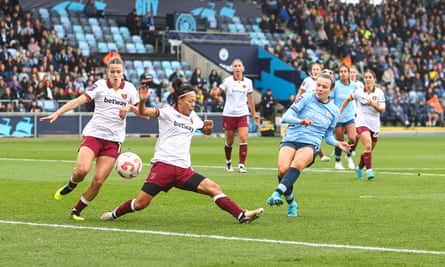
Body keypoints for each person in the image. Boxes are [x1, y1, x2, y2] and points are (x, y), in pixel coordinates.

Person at [100, 79, 264, 224]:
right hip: (163, 167)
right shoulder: (167, 111)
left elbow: (204, 131)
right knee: (141, 204)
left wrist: (208, 128)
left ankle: (241, 215)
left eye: (195, 101)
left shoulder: (193, 117)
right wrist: (142, 101)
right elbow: (144, 113)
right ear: (180, 100)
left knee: (213, 188)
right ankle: (114, 214)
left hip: (184, 170)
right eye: (191, 101)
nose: (193, 105)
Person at [40, 57, 146, 221]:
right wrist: (57, 113)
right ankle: (71, 184)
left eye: (118, 72)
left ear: (123, 72)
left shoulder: (131, 89)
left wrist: (131, 107)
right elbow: (79, 100)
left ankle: (76, 210)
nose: (115, 75)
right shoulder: (100, 86)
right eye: (112, 72)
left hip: (113, 142)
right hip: (94, 136)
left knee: (98, 181)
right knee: (82, 170)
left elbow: (143, 116)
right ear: (107, 73)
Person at [266, 70, 351, 217]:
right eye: (318, 85)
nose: (320, 89)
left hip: (311, 144)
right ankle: (291, 202)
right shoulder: (306, 97)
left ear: (330, 90)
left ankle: (276, 193)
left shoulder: (334, 111)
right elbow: (286, 116)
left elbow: (328, 136)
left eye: (324, 87)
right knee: (282, 170)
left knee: (297, 164)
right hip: (291, 138)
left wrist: (337, 143)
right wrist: (301, 121)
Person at [210, 59, 259, 173]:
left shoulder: (248, 82)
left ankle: (241, 165)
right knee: (230, 142)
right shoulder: (227, 81)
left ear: (243, 68)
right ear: (232, 69)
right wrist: (214, 92)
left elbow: (250, 99)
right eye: (235, 66)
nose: (237, 68)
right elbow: (218, 92)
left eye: (239, 66)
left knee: (243, 138)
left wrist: (254, 114)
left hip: (242, 113)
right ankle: (228, 161)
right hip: (229, 114)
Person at [339, 70, 385, 180]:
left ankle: (359, 168)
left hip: (374, 124)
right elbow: (348, 99)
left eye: (370, 77)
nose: (368, 79)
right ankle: (369, 172)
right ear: (364, 79)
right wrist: (340, 111)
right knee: (368, 145)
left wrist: (374, 105)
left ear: (374, 79)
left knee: (368, 150)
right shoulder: (359, 92)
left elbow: (382, 110)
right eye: (366, 77)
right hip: (361, 122)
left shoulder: (379, 93)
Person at [297, 63, 330, 162]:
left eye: (317, 69)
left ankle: (316, 153)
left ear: (321, 71)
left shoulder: (323, 83)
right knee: (312, 132)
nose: (315, 71)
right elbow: (300, 92)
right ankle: (319, 155)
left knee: (315, 133)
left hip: (318, 111)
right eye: (314, 69)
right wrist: (296, 103)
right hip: (307, 111)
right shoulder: (307, 81)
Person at [331, 64, 357, 170]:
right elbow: (329, 98)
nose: (342, 73)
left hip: (350, 115)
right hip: (338, 117)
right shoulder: (336, 85)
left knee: (352, 138)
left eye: (344, 71)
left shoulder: (354, 86)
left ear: (349, 73)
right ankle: (337, 162)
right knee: (340, 140)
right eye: (340, 72)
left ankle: (349, 156)